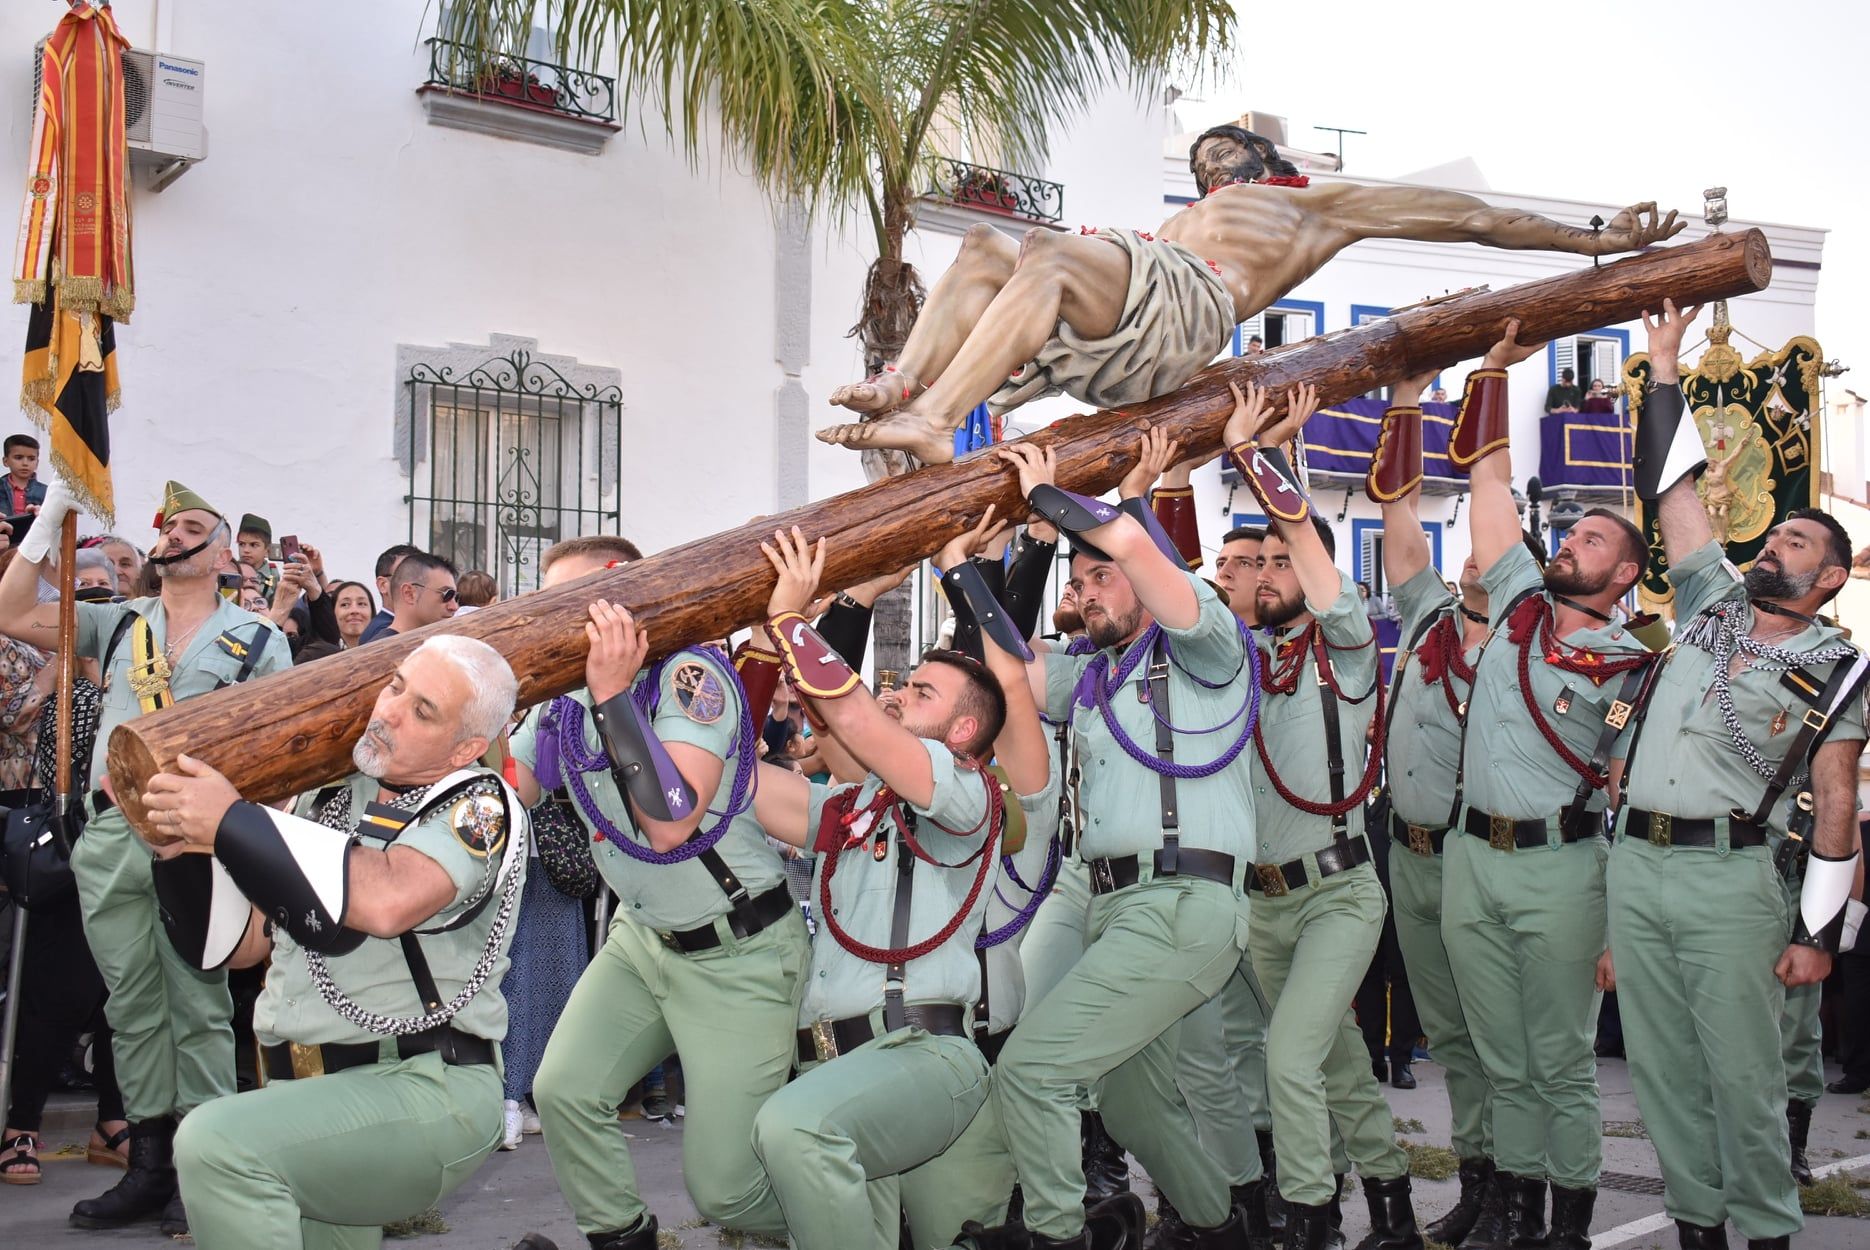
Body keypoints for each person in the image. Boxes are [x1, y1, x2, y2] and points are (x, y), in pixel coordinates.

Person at [818, 125, 1682, 464]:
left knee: (1044, 250)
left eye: (1220, 154)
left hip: (1188, 311)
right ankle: (911, 389)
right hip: (1123, 333)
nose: (1206, 169)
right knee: (982, 246)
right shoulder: (1193, 217)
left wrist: (1596, 241)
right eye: (1198, 168)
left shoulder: (1314, 206)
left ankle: (933, 420)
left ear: (1265, 161)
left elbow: (1473, 218)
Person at [1605, 298, 1867, 1250]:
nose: (1772, 547)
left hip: (1734, 877)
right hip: (1636, 867)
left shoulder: (1841, 670)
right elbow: (1673, 492)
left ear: (1830, 578)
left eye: (1796, 543)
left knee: (1745, 1079)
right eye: (1772, 537)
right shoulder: (1710, 604)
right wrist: (1664, 370)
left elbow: (1836, 801)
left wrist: (1817, 934)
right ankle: (1697, 1229)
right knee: (1663, 1075)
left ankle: (1764, 1231)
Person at [137, 635, 526, 1250]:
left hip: (422, 1087)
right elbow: (242, 949)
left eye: (423, 710)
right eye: (395, 685)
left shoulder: (480, 802)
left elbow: (389, 900)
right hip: (306, 1090)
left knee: (217, 1143)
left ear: (466, 747)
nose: (390, 709)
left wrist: (236, 821)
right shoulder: (328, 793)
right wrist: (178, 844)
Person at [0, 478, 292, 1234]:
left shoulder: (260, 640)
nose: (172, 534)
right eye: (166, 526)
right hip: (109, 840)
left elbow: (281, 755)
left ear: (223, 552)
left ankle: (205, 1175)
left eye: (192, 525)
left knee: (197, 1004)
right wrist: (51, 521)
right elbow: (8, 611)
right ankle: (149, 1166)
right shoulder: (119, 621)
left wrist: (252, 856)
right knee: (129, 1007)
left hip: (197, 842)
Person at [988, 437, 1260, 1250]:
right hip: (1110, 903)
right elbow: (1001, 664)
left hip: (1183, 903)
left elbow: (1138, 546)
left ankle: (1058, 1234)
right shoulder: (1093, 674)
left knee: (1034, 1070)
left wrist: (1051, 501)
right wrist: (961, 568)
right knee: (1135, 1102)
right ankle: (1221, 1227)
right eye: (1078, 584)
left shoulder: (1210, 650)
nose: (1086, 592)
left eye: (1099, 576)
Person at [500, 534, 805, 1250]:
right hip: (643, 940)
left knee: (726, 1187)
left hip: (739, 951)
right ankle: (624, 1237)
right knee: (566, 1092)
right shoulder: (564, 704)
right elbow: (513, 789)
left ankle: (857, 1219)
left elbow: (670, 822)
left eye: (572, 606)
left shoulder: (690, 676)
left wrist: (610, 693)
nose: (557, 622)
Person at [740, 526, 1012, 1249]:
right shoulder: (850, 805)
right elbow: (728, 775)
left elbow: (851, 714)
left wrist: (790, 618)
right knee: (741, 1186)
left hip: (920, 1057)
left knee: (794, 1127)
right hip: (838, 1065)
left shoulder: (970, 795)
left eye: (919, 690)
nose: (895, 691)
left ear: (960, 730)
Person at [1443, 322, 1654, 1250]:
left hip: (1562, 869)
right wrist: (1492, 372)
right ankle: (1516, 1215)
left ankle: (1567, 1226)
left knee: (1561, 1062)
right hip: (1468, 862)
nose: (1572, 541)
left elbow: (1628, 788)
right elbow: (1491, 486)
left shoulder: (1632, 663)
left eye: (1594, 536)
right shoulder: (1522, 603)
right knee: (1500, 1059)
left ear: (1629, 572)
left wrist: (1614, 913)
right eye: (1570, 529)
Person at [1224, 382, 1423, 1250]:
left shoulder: (1344, 644)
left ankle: (1310, 1222)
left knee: (1288, 1059)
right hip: (1262, 906)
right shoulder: (1234, 660)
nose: (1267, 574)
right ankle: (1392, 1203)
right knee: (1333, 1062)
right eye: (1254, 562)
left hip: (1339, 894)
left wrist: (1256, 456)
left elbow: (1306, 541)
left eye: (1282, 563)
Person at [1366, 370, 1515, 1246]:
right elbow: (1400, 531)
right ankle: (1478, 1184)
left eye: (1494, 547)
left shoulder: (1533, 643)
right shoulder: (1426, 621)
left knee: (1501, 1039)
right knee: (1452, 1041)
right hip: (1409, 854)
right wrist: (1406, 403)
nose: (1472, 555)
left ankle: (1516, 1197)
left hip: (1477, 856)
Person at [378, 551, 460, 639]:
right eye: (447, 594)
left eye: (456, 597)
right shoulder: (378, 650)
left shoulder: (433, 646)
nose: (454, 607)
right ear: (409, 594)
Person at [358, 543, 421, 645]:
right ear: (383, 585)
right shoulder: (383, 631)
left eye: (420, 576)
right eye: (407, 575)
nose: (417, 584)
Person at [4, 433, 45, 515]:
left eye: (31, 459)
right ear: (5, 461)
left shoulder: (47, 492)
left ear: (37, 463)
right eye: (18, 457)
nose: (25, 463)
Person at [329, 581, 378, 649]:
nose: (354, 611)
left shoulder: (388, 645)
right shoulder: (320, 654)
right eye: (345, 604)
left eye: (361, 604)